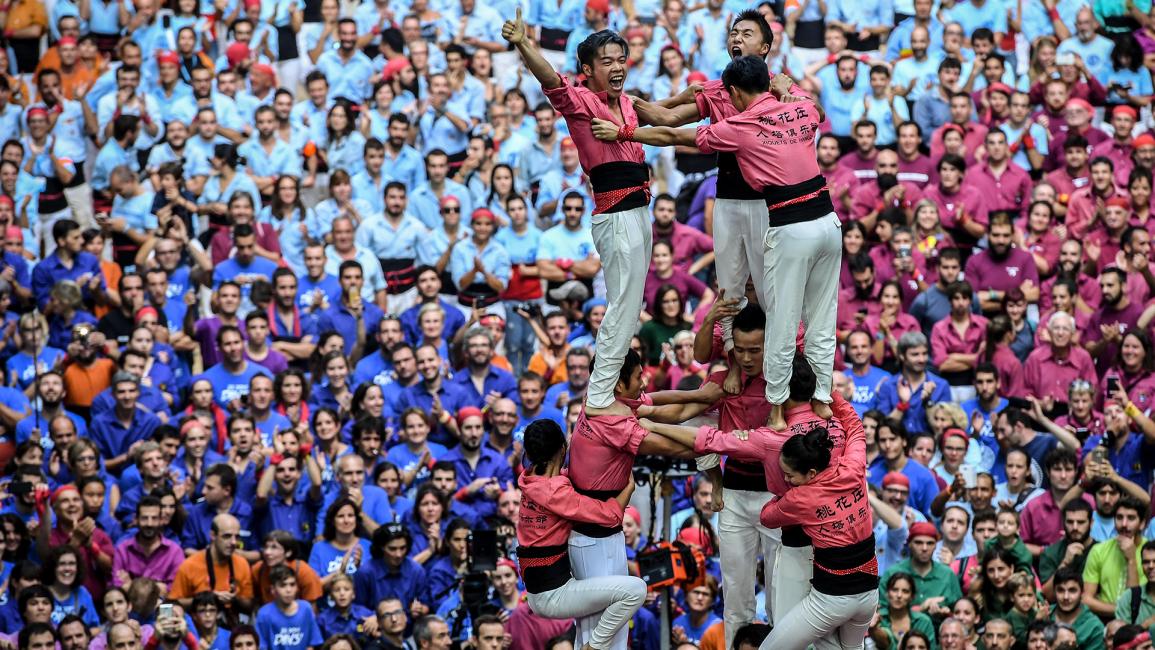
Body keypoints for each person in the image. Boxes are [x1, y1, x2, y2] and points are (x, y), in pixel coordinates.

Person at [593, 54, 836, 429]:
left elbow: (674, 134)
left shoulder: (739, 124)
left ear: (735, 93)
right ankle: (821, 399)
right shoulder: (801, 108)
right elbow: (816, 111)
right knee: (822, 318)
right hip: (828, 221)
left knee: (783, 322)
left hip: (792, 225)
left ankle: (776, 410)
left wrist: (623, 133)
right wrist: (788, 90)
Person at [502, 15, 654, 418]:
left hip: (640, 208)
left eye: (621, 58)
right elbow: (550, 78)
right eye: (607, 60)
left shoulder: (627, 102)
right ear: (588, 70)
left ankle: (621, 386)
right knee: (620, 304)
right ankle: (601, 396)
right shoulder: (581, 100)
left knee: (630, 304)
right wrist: (523, 44)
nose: (617, 66)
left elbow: (665, 118)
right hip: (616, 209)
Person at [516, 419, 646, 650]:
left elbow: (562, 481)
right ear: (563, 448)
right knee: (635, 590)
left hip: (541, 591)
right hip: (553, 595)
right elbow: (610, 516)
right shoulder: (555, 492)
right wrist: (628, 489)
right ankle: (594, 646)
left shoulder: (529, 479)